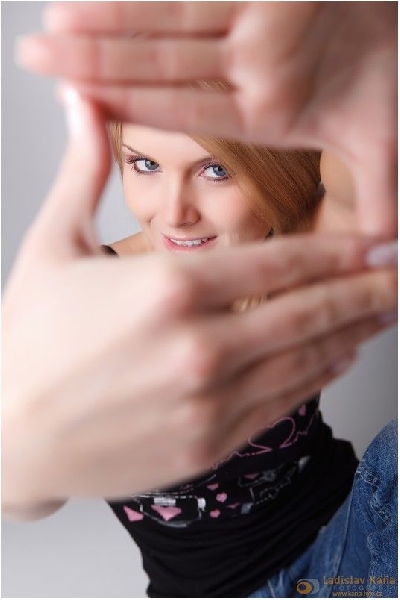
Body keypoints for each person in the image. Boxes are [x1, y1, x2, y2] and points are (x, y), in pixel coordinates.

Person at [17, 0, 397, 237]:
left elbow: (359, 172)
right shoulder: (89, 297)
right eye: (146, 165)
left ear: (283, 170)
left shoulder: (321, 241)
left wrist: (382, 54)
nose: (175, 215)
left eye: (217, 171)